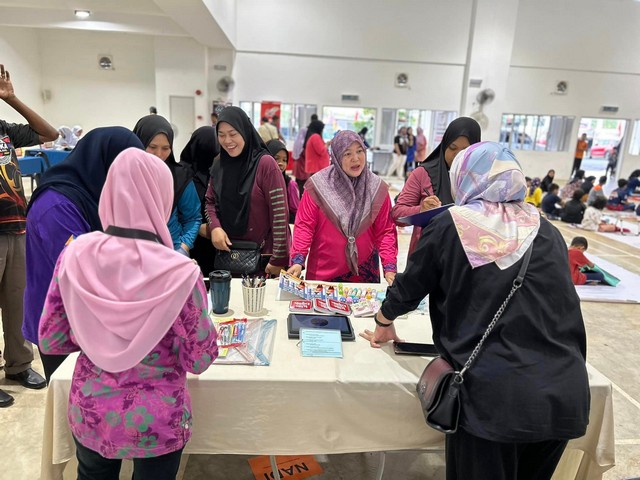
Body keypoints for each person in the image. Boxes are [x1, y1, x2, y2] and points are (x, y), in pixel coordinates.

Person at [362, 142, 589, 480]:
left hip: (493, 396)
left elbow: (410, 287)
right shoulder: (548, 232)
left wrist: (384, 320)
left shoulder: (451, 224)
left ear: (465, 178)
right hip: (562, 392)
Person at [38, 147, 218, 480]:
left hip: (92, 409)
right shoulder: (181, 273)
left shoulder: (75, 254)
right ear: (162, 197)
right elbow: (200, 359)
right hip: (158, 419)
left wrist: (97, 330)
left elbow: (52, 338)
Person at [24, 127, 144, 383]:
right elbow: (80, 270)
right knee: (71, 396)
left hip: (93, 319)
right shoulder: (56, 205)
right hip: (61, 324)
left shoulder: (95, 193)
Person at [0, 63, 58, 406]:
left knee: (16, 300)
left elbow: (49, 133)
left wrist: (12, 99)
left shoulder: (5, 130)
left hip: (16, 226)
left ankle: (18, 365)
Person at [287, 130, 398, 284]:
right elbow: (305, 226)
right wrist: (298, 259)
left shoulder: (377, 188)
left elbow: (385, 231)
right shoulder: (318, 186)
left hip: (364, 276)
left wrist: (389, 266)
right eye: (347, 153)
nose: (356, 158)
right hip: (323, 275)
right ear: (337, 156)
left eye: (359, 151)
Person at [205, 106, 289, 276]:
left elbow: (280, 214)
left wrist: (278, 259)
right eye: (221, 135)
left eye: (233, 134)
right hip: (228, 256)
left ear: (244, 131)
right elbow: (210, 202)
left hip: (262, 260)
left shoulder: (265, 164)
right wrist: (215, 227)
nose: (227, 140)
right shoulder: (219, 164)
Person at [392, 117, 481, 257]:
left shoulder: (483, 178)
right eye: (452, 148)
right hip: (426, 256)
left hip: (468, 258)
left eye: (465, 150)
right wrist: (421, 210)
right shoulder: (423, 173)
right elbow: (397, 215)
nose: (457, 155)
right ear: (444, 146)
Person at [133, 115, 201, 256]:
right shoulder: (126, 176)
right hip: (135, 255)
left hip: (171, 252)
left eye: (166, 148)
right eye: (152, 147)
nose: (159, 154)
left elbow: (193, 217)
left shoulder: (179, 176)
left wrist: (183, 248)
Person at [179, 127, 220, 277]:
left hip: (217, 244)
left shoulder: (219, 173)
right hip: (188, 244)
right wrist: (198, 228)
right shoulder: (180, 175)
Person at [266, 139, 300, 223]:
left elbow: (296, 214)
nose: (281, 163)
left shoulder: (290, 185)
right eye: (276, 158)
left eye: (284, 160)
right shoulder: (259, 181)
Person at [292, 114, 318, 195]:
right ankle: (300, 197)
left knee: (298, 182)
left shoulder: (298, 143)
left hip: (298, 166)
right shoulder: (305, 144)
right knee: (302, 184)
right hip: (303, 168)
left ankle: (298, 196)